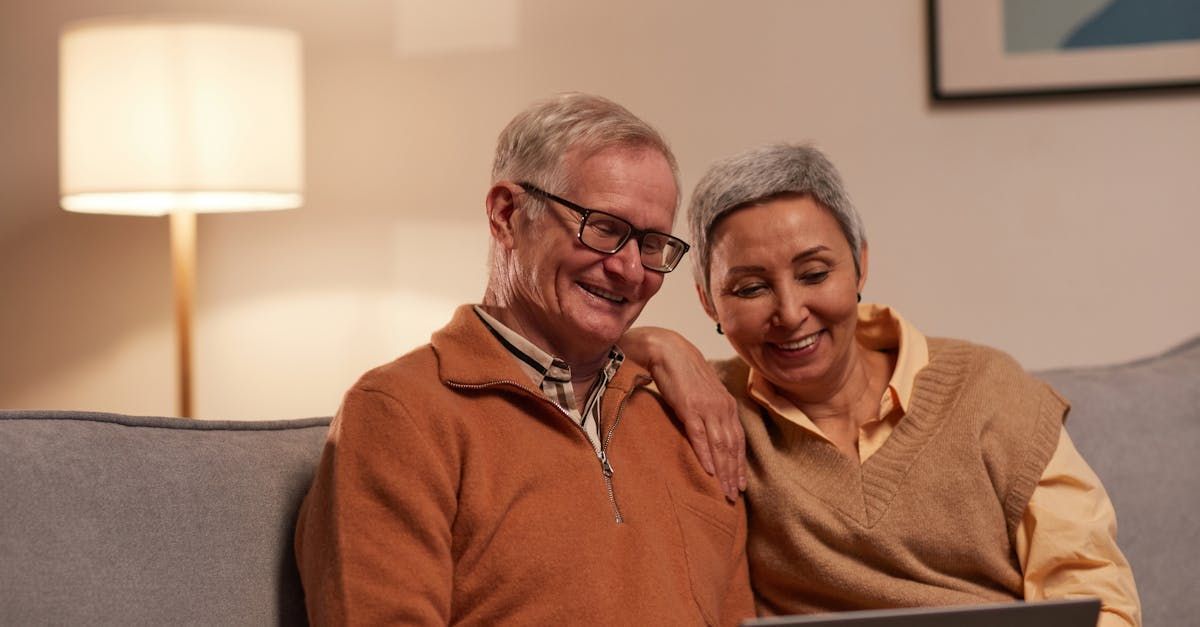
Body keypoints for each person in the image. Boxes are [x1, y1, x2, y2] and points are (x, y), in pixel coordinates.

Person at [626, 143, 1141, 626]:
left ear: (860, 265)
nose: (789, 312)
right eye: (752, 288)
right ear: (708, 303)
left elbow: (1091, 588)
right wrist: (650, 344)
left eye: (813, 274)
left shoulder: (989, 387)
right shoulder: (708, 410)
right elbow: (560, 367)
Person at [293, 93, 754, 626]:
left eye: (652, 244)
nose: (630, 270)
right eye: (604, 228)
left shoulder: (690, 417)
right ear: (507, 215)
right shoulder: (400, 414)